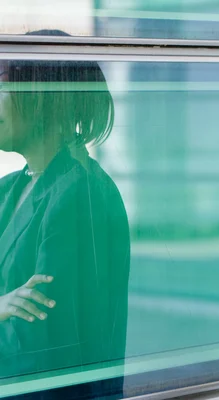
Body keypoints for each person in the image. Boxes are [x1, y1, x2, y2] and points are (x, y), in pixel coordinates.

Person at [0, 36, 130, 393]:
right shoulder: (9, 189)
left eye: (3, 85)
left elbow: (40, 341)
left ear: (43, 100)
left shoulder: (80, 193)